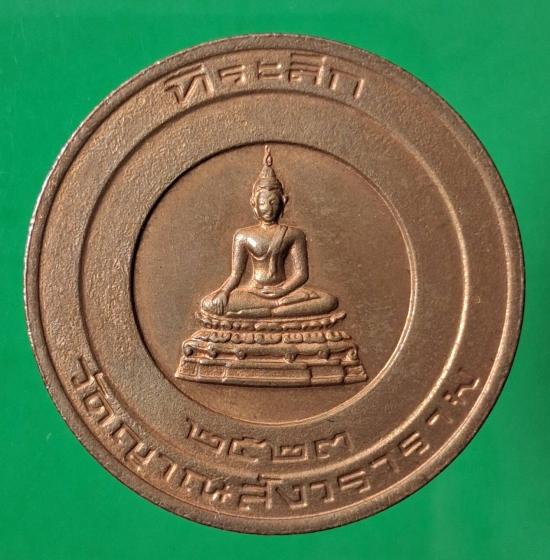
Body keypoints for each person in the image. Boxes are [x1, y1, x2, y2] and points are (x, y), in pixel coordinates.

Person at [201, 146, 338, 318]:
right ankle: (274, 309)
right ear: (254, 203)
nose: (268, 208)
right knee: (209, 303)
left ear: (283, 202)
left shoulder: (294, 234)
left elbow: (301, 274)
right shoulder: (243, 235)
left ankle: (267, 309)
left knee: (328, 300)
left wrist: (282, 290)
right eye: (263, 203)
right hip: (254, 292)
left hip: (285, 292)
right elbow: (235, 275)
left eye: (273, 202)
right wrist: (224, 291)